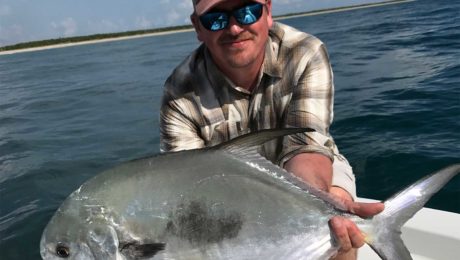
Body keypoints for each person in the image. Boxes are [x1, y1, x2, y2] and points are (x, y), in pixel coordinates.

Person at [160, 0, 384, 259]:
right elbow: (190, 184)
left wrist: (321, 204)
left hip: (311, 169)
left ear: (267, 11)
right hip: (227, 192)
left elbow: (306, 147)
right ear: (197, 26)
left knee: (337, 229)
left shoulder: (304, 53)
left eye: (247, 12)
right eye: (216, 19)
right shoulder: (179, 93)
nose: (234, 28)